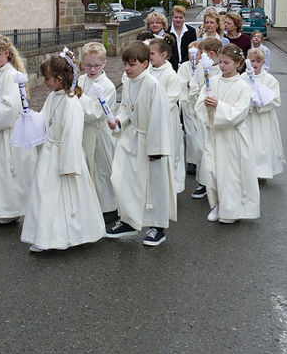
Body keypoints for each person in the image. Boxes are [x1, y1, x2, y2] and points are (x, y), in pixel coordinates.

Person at [21, 51, 104, 253]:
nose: (45, 82)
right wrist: (28, 116)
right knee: (44, 194)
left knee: (63, 197)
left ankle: (67, 235)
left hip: (64, 156)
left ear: (59, 79)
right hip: (49, 154)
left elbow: (72, 135)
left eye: (47, 78)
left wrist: (68, 164)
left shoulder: (72, 103)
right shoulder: (53, 96)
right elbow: (44, 118)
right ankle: (44, 235)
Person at [105, 41, 176, 247]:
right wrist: (119, 120)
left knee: (154, 185)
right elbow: (126, 107)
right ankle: (128, 220)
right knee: (122, 179)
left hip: (150, 141)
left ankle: (158, 227)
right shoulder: (128, 82)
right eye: (125, 64)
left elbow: (159, 118)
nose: (127, 69)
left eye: (131, 64)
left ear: (145, 64)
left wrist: (156, 150)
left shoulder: (153, 85)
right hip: (131, 138)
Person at [194, 44, 259, 224]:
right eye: (220, 62)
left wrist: (218, 106)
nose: (222, 66)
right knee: (212, 170)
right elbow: (199, 103)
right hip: (214, 134)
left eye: (227, 63)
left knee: (230, 173)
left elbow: (239, 113)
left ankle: (231, 209)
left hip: (232, 137)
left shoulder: (243, 87)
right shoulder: (213, 81)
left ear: (238, 63)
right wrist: (206, 105)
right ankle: (216, 204)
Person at [0, 34, 36, 225]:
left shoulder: (12, 75)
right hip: (0, 130)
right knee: (0, 169)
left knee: (10, 169)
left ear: (6, 53)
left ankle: (11, 209)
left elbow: (11, 106)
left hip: (10, 130)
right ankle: (2, 208)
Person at [77, 41, 118, 225]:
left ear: (104, 64)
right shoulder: (81, 80)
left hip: (100, 133)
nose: (92, 69)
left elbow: (94, 113)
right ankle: (90, 205)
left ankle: (109, 207)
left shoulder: (107, 85)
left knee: (102, 169)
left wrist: (80, 96)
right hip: (85, 131)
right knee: (88, 168)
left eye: (96, 65)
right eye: (88, 65)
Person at [147, 38, 185, 194]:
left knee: (170, 151)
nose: (149, 56)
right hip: (149, 117)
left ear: (164, 55)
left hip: (167, 119)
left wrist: (153, 108)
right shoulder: (147, 70)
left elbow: (171, 98)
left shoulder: (171, 75)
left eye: (152, 53)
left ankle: (172, 188)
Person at [244, 48, 285, 180]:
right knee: (248, 142)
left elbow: (276, 100)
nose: (255, 64)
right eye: (252, 61)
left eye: (258, 61)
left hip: (263, 118)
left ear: (263, 62)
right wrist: (248, 104)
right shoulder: (243, 78)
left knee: (263, 144)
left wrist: (260, 105)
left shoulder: (270, 79)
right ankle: (247, 170)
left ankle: (262, 171)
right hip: (248, 117)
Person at [191, 37, 223, 200]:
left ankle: (219, 182)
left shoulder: (224, 68)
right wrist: (200, 92)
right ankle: (204, 182)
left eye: (203, 53)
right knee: (203, 148)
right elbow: (194, 85)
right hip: (204, 113)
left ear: (210, 54)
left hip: (218, 116)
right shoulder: (201, 68)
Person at [177, 40, 205, 185]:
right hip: (188, 103)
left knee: (200, 132)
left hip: (200, 104)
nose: (193, 57)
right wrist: (187, 83)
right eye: (190, 54)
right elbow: (179, 81)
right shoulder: (184, 67)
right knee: (191, 133)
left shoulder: (203, 66)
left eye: (197, 54)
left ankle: (201, 159)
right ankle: (191, 161)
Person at [167, 5, 198, 71]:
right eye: (176, 17)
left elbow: (193, 49)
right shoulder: (167, 32)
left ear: (184, 18)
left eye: (181, 17)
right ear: (172, 18)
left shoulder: (191, 31)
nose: (178, 20)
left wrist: (183, 64)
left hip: (187, 66)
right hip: (171, 67)